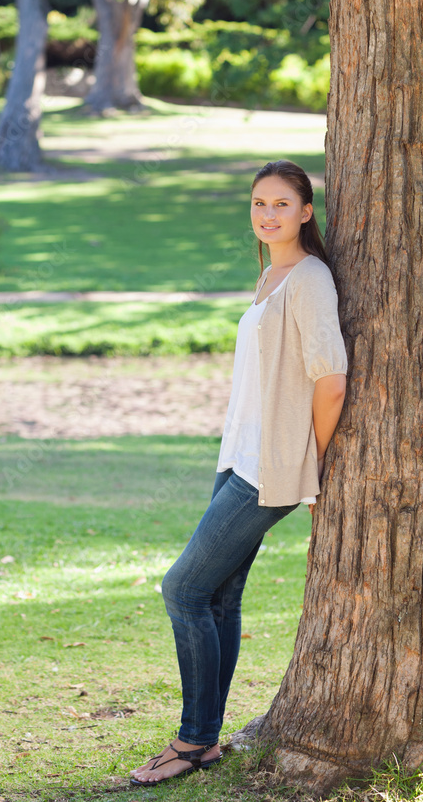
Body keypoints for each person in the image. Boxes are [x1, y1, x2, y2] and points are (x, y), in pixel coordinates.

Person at [130, 159, 348, 787]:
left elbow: (330, 381)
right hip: (239, 458)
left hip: (270, 469)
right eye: (258, 203)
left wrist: (311, 462)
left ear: (306, 212)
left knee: (183, 590)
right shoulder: (271, 275)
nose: (267, 214)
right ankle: (207, 739)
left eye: (281, 204)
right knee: (218, 597)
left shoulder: (309, 279)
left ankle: (193, 740)